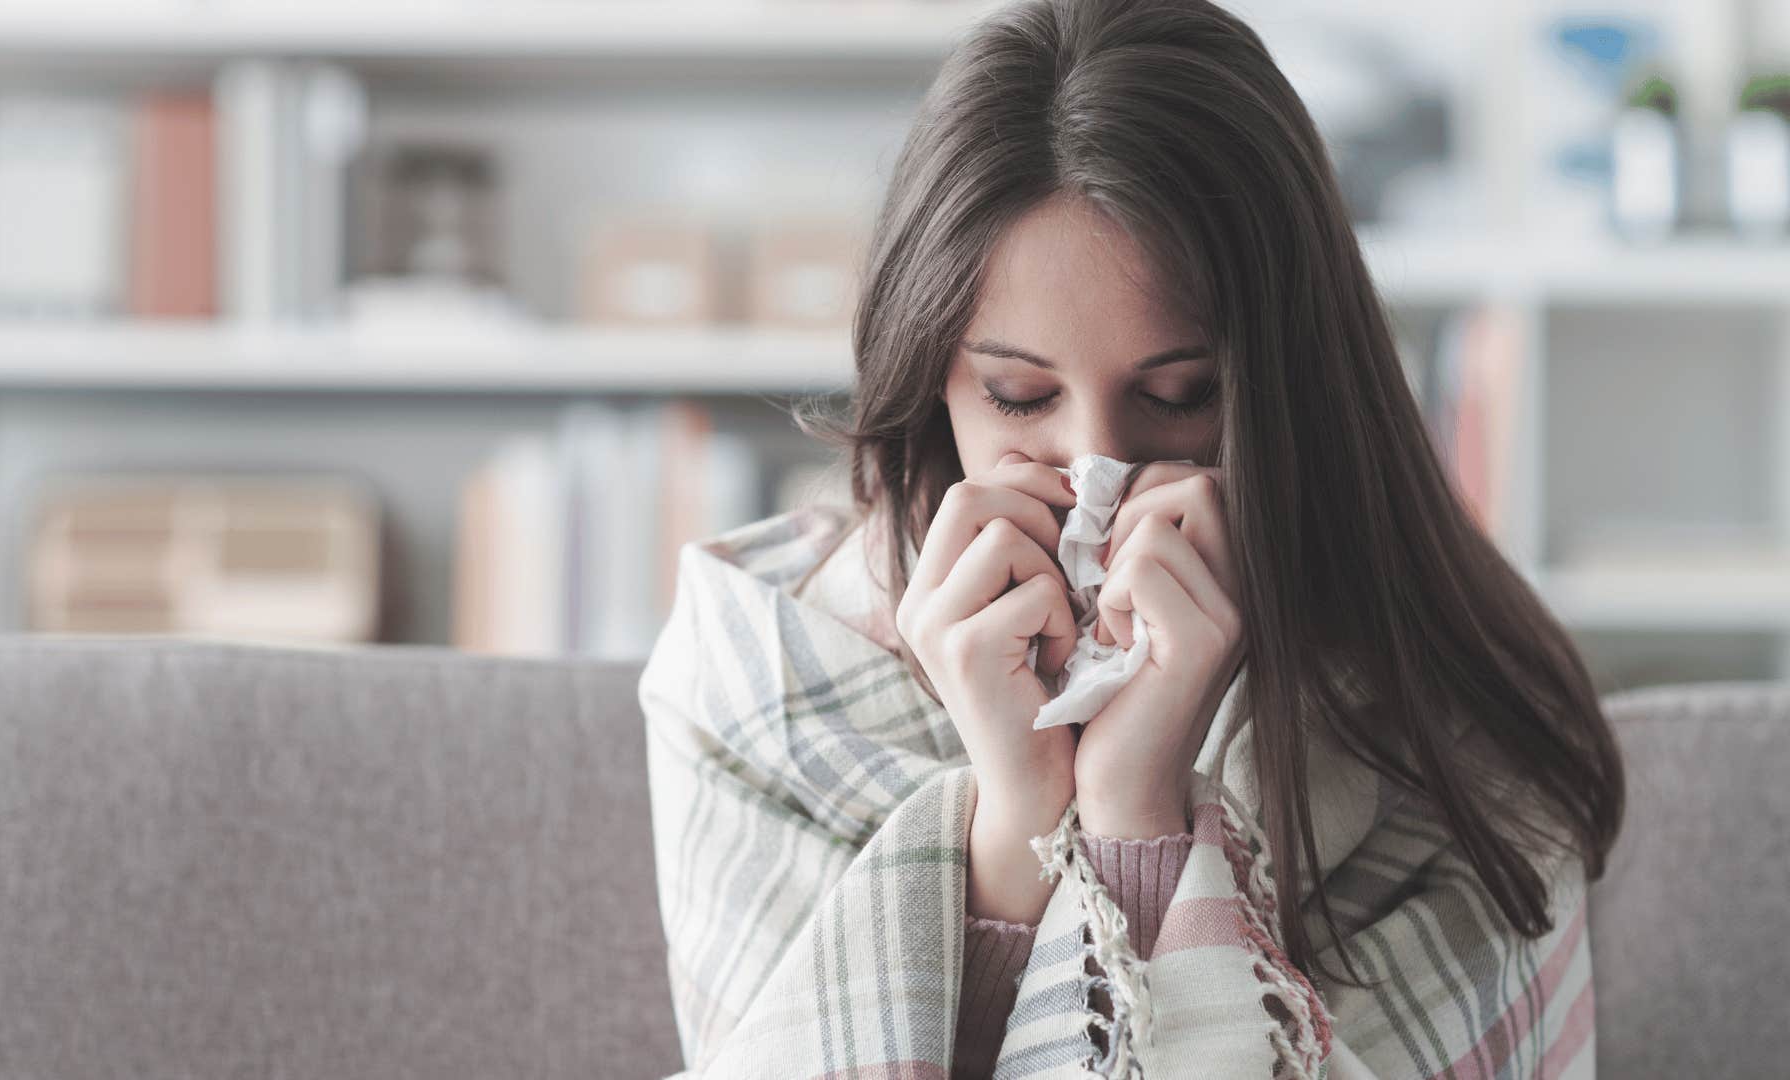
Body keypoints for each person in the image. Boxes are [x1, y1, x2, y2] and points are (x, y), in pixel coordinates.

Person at [638, 1, 1624, 1076]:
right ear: (933, 382)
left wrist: (1137, 815)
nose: (1095, 472)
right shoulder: (761, 670)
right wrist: (1014, 817)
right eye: (1018, 397)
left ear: (1291, 384)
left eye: (1180, 394)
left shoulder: (1450, 723)